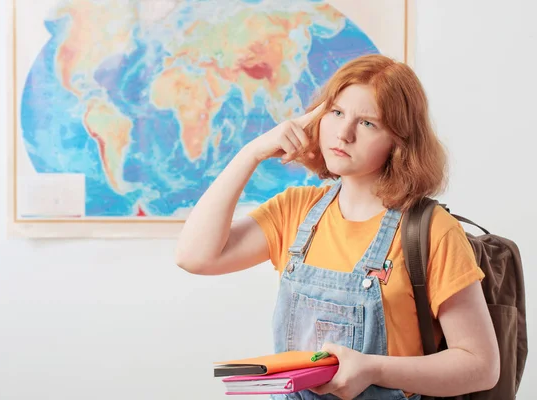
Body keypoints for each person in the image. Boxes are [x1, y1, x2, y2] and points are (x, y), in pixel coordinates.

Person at [175, 54, 500, 400]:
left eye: (367, 123)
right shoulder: (296, 210)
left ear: (399, 143)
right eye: (337, 112)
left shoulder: (430, 230)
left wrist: (373, 369)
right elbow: (194, 257)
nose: (343, 134)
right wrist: (252, 152)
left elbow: (480, 365)